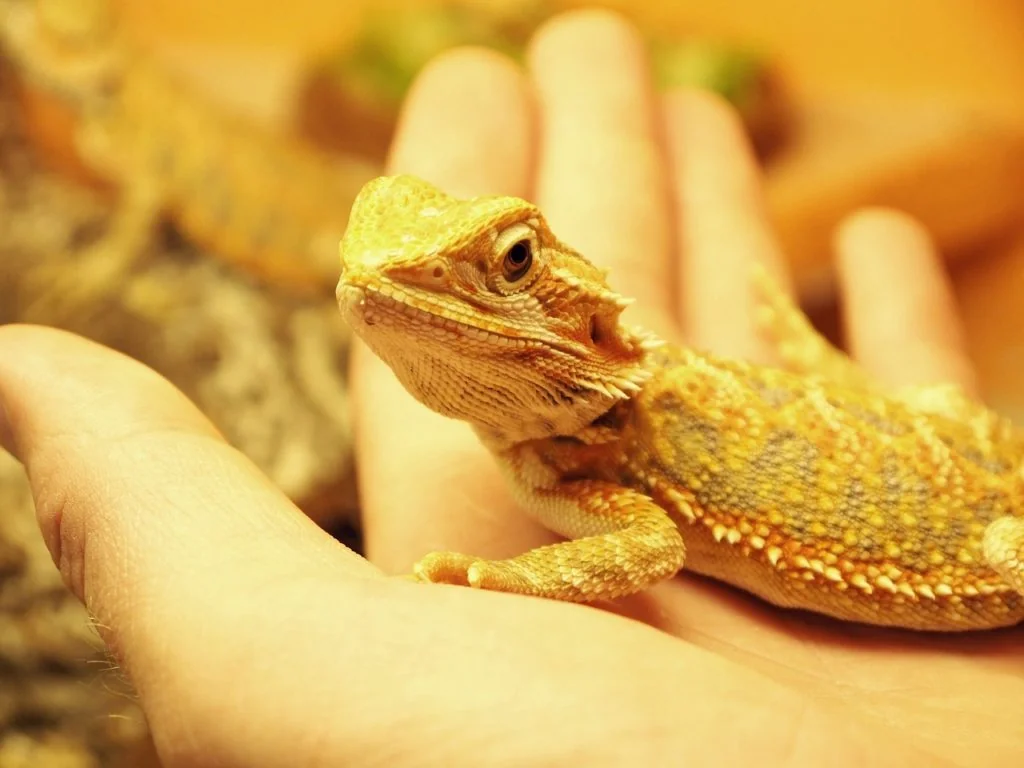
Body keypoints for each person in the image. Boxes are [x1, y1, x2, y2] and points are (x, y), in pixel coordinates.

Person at [0, 10, 1017, 767]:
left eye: (513, 264)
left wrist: (512, 580)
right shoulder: (554, 440)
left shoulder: (612, 445)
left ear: (585, 325)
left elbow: (652, 546)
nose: (380, 286)